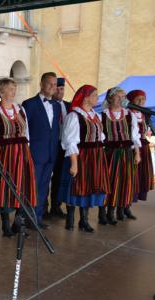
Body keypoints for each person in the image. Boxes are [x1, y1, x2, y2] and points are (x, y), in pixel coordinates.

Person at [0, 78, 36, 236]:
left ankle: (18, 223)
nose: (14, 92)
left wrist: (27, 153)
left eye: (14, 88)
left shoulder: (20, 109)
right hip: (5, 155)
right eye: (10, 89)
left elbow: (26, 132)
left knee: (23, 187)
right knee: (6, 187)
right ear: (1, 92)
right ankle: (5, 224)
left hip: (22, 154)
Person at [58, 85, 109, 232]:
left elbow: (101, 137)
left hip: (95, 157)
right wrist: (74, 163)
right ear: (86, 97)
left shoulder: (95, 115)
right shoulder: (74, 116)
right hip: (80, 156)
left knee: (89, 187)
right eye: (95, 95)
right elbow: (70, 142)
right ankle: (70, 219)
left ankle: (84, 220)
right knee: (75, 187)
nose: (97, 98)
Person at [22, 72, 61, 229]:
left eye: (55, 84)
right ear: (41, 84)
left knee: (44, 187)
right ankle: (24, 218)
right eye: (49, 83)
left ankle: (36, 218)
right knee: (31, 188)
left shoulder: (57, 106)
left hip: (51, 153)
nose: (53, 87)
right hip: (35, 154)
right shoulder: (29, 104)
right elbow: (25, 130)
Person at [98, 87, 141, 225]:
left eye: (124, 96)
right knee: (108, 182)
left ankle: (115, 210)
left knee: (123, 182)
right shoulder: (102, 115)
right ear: (110, 98)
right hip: (109, 153)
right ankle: (103, 212)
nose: (122, 99)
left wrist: (137, 153)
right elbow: (99, 137)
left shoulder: (130, 115)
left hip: (126, 153)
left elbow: (135, 137)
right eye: (119, 96)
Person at [126, 89, 155, 213]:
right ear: (131, 100)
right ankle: (123, 205)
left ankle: (128, 206)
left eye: (143, 99)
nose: (141, 102)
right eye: (138, 99)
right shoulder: (127, 114)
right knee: (131, 177)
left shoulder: (143, 115)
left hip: (143, 147)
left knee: (139, 177)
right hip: (132, 147)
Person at [48, 77, 70, 218]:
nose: (60, 91)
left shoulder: (69, 106)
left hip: (64, 146)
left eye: (62, 89)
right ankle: (43, 207)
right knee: (46, 177)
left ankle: (56, 206)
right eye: (58, 88)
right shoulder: (49, 105)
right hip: (52, 145)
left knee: (60, 177)